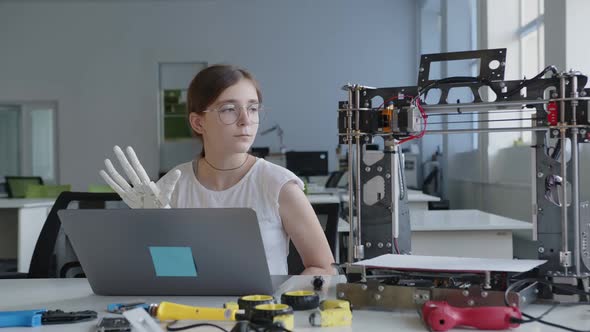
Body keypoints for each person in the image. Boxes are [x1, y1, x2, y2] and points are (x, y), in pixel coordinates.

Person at [100, 64, 335, 275]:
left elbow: (323, 267)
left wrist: (282, 304)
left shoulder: (279, 185)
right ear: (198, 122)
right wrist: (150, 229)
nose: (245, 120)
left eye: (253, 109)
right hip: (189, 315)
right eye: (229, 109)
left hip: (259, 316)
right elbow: (173, 274)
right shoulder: (173, 186)